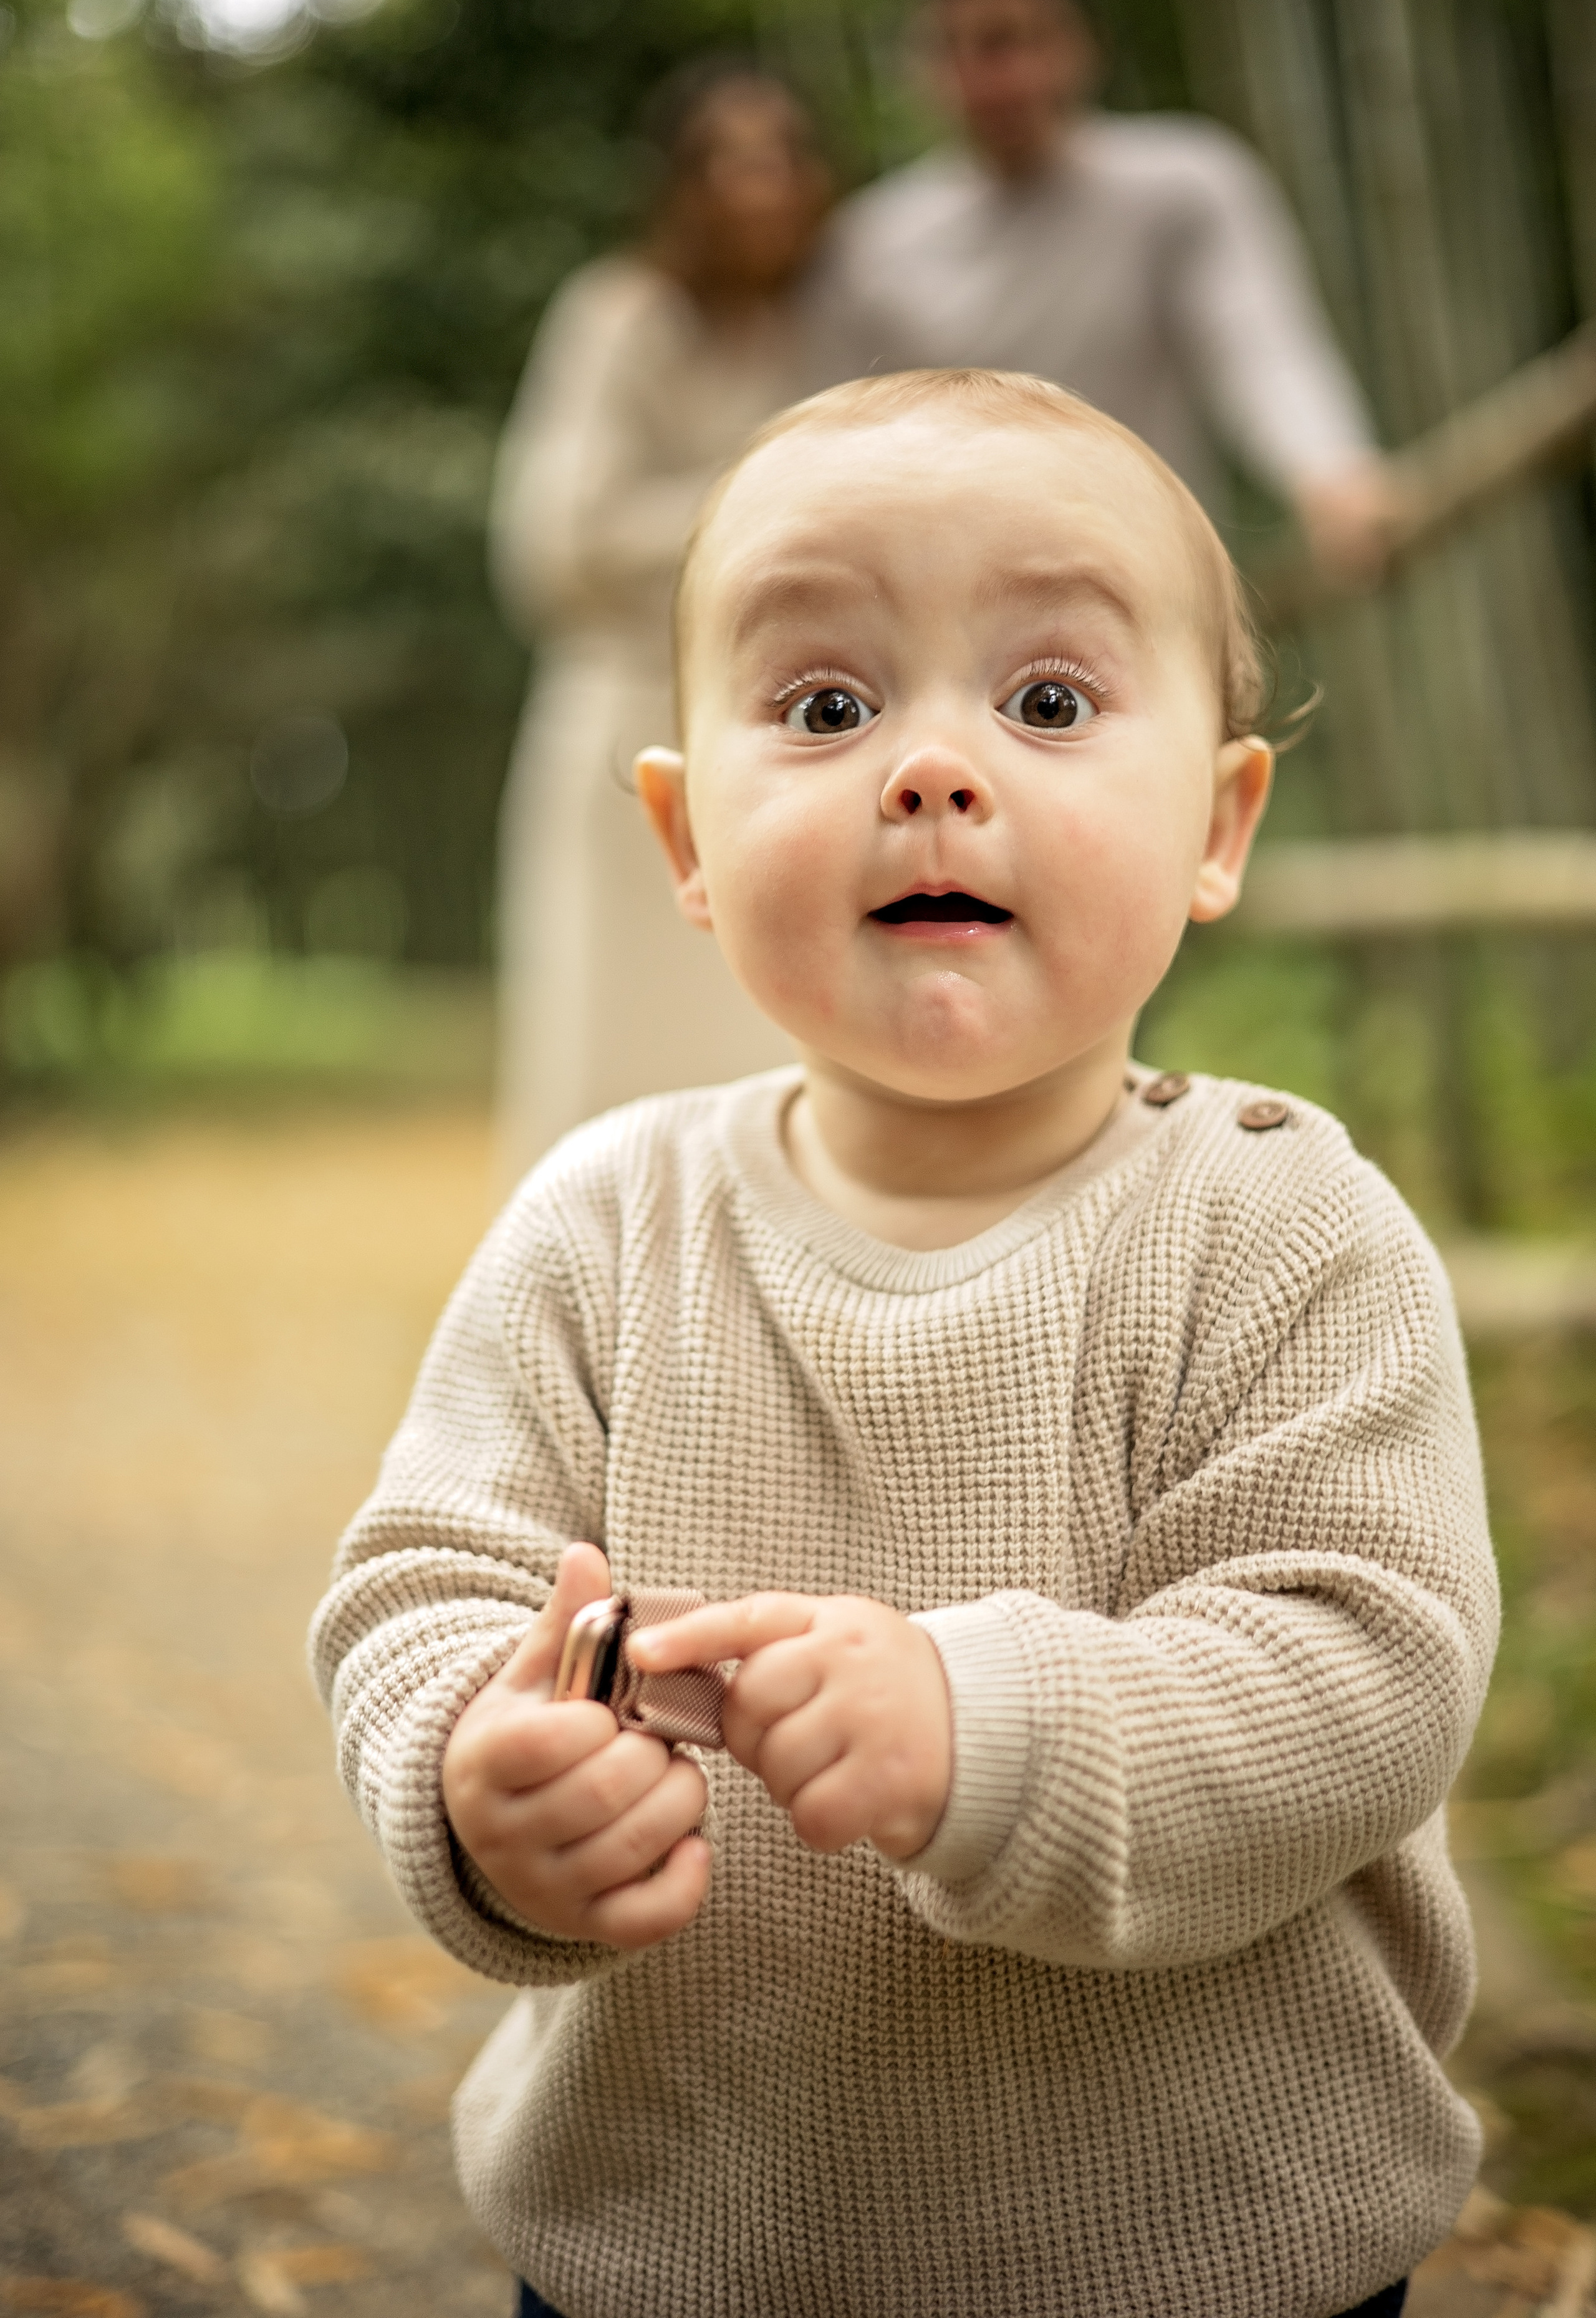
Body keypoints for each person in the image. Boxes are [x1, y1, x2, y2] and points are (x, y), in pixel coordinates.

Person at [312, 369, 1497, 2318]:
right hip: (680, 2233)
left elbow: (1363, 1665)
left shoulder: (1285, 1230)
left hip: (1208, 2245)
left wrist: (991, 1731)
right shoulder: (604, 1224)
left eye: (1043, 702)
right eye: (826, 706)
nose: (930, 772)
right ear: (686, 841)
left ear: (1219, 817)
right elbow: (426, 1579)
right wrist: (472, 1772)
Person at [806, 0, 1398, 584]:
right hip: (957, 598)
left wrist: (1333, 474)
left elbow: (1259, 343)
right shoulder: (871, 246)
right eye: (968, 48)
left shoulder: (1182, 184)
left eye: (1024, 39)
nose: (1002, 77)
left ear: (1084, 46)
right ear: (924, 70)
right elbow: (848, 444)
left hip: (1158, 574)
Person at [489, 63, 829, 1185]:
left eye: (778, 153)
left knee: (769, 1047)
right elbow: (552, 543)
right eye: (726, 158)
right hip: (624, 725)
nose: (755, 184)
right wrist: (770, 501)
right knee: (606, 1043)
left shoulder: (828, 325)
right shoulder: (620, 315)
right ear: (679, 183)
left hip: (786, 738)